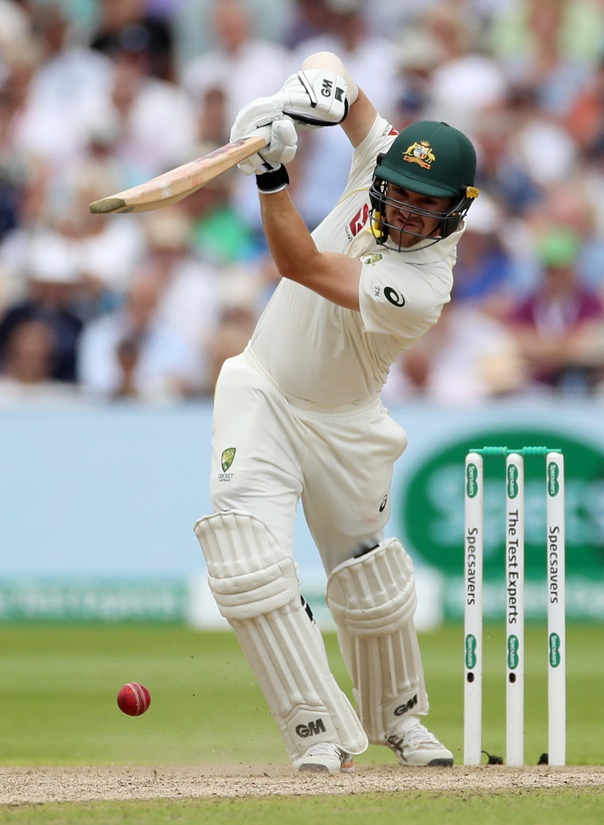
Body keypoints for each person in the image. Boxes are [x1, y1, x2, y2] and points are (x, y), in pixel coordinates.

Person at [191, 51, 477, 774]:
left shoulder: (422, 284)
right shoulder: (376, 168)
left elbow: (303, 266)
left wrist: (270, 175)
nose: (406, 215)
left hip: (347, 419)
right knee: (247, 562)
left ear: (456, 210)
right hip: (262, 390)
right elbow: (336, 77)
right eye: (399, 195)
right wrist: (294, 101)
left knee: (368, 579)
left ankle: (402, 723)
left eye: (425, 206)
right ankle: (315, 731)